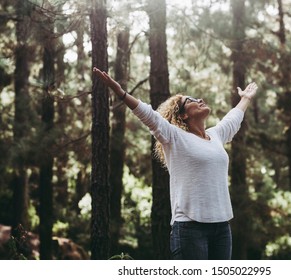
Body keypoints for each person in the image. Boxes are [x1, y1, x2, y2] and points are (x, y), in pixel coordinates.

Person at [93, 67, 258, 259]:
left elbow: (232, 119)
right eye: (191, 101)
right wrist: (121, 93)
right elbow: (150, 116)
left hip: (221, 227)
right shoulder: (175, 137)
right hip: (190, 228)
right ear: (183, 115)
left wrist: (246, 98)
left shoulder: (216, 136)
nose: (199, 100)